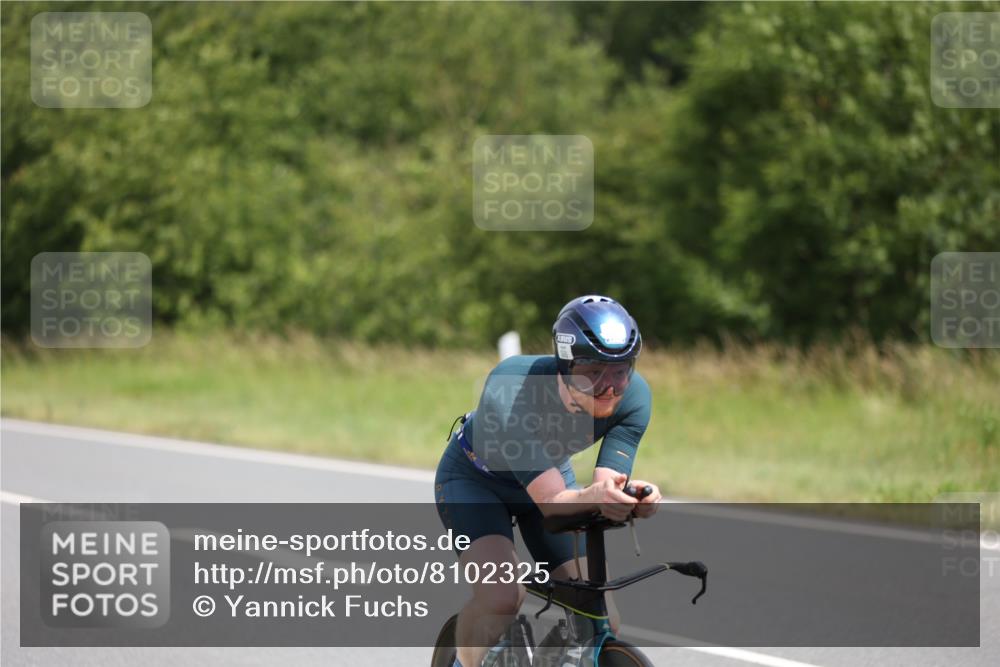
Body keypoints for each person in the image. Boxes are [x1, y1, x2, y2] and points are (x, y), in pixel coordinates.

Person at [434, 295, 661, 667]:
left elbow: (605, 485)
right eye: (594, 372)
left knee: (600, 612)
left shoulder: (635, 397)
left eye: (620, 370)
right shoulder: (511, 388)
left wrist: (634, 499)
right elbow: (554, 503)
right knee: (502, 598)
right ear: (566, 364)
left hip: (547, 475)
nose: (609, 387)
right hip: (476, 482)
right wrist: (597, 496)